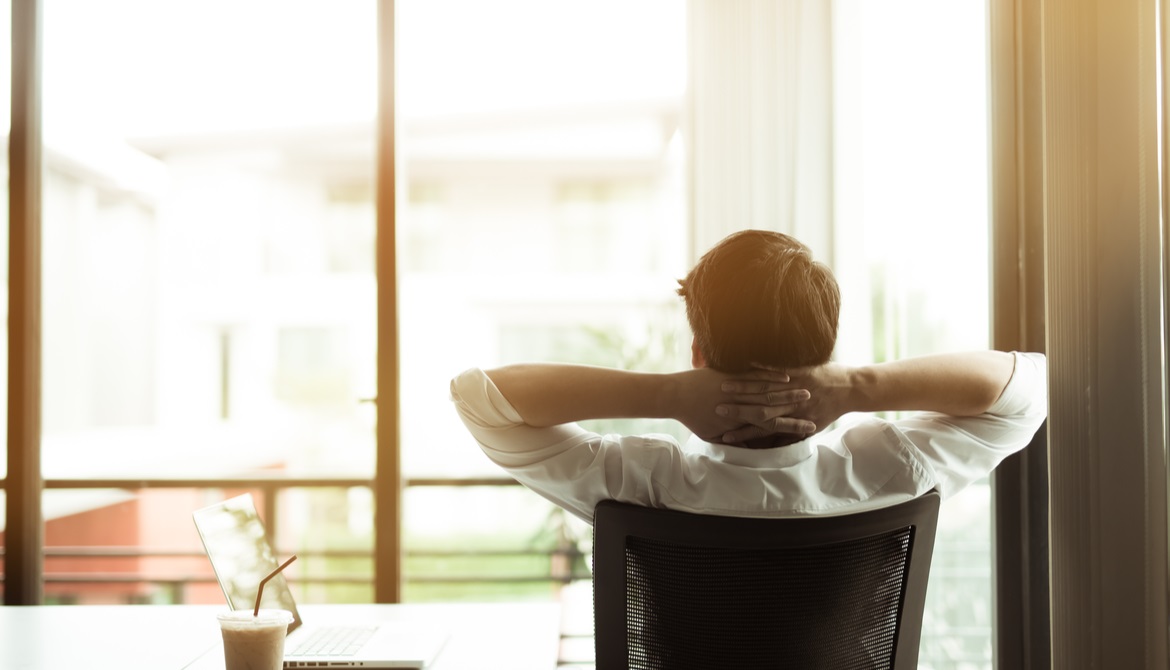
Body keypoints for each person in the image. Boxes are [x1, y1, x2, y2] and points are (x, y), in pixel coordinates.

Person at [450, 229, 1047, 524]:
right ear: (825, 352)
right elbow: (1025, 389)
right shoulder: (888, 470)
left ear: (697, 353)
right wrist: (853, 387)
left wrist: (666, 394)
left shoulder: (639, 484)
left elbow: (480, 398)